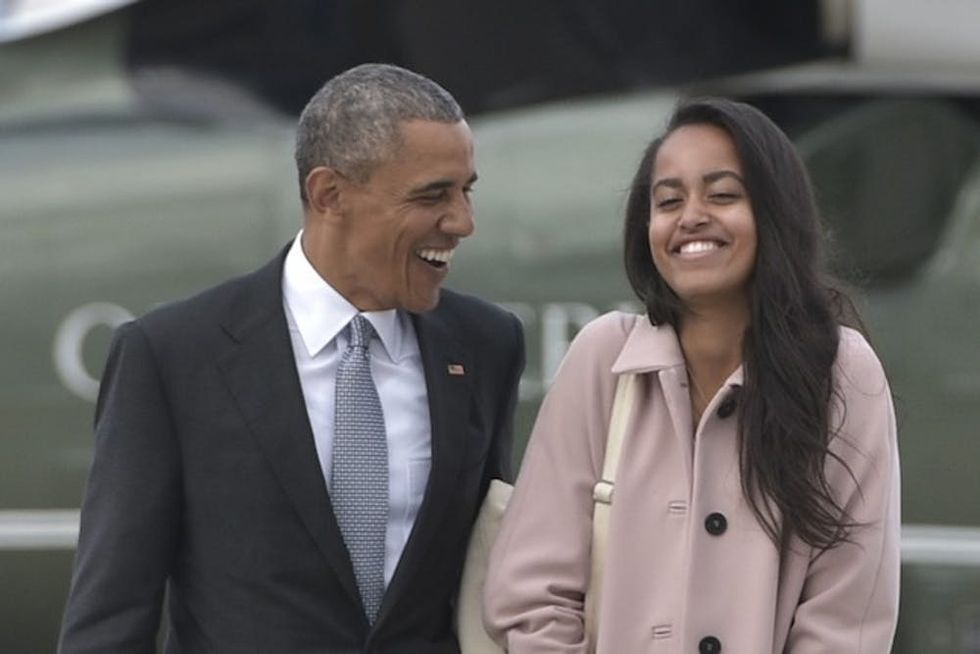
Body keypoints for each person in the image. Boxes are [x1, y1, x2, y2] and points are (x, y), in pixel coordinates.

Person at [59, 63, 525, 653]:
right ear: (329, 194)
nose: (463, 221)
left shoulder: (485, 343)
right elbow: (109, 618)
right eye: (433, 195)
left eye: (466, 190)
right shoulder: (173, 355)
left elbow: (487, 573)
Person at [483, 98, 900, 652]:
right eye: (668, 201)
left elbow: (849, 615)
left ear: (775, 212)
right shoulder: (602, 357)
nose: (691, 217)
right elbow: (530, 595)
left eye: (723, 194)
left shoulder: (841, 370)